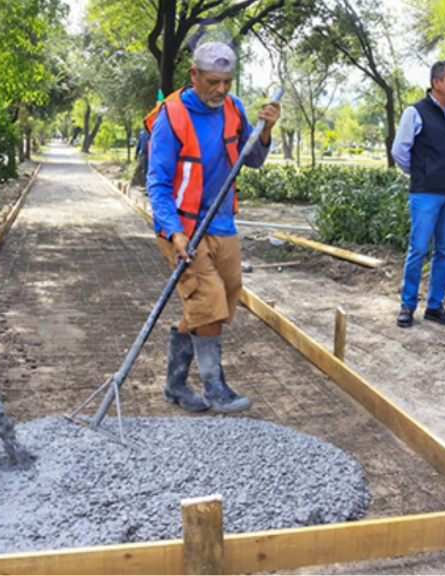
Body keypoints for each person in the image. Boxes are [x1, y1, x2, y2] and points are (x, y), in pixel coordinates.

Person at [146, 42, 280, 414]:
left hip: (221, 222)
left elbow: (252, 158)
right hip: (183, 227)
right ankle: (215, 388)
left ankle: (174, 384)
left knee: (220, 302)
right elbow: (157, 183)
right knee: (208, 300)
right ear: (194, 76)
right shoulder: (170, 117)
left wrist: (266, 129)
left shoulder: (233, 108)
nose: (221, 90)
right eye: (213, 82)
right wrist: (173, 233)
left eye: (227, 81)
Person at [391, 60, 445, 328]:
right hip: (426, 194)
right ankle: (407, 305)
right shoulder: (415, 112)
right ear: (437, 83)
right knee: (419, 249)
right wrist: (422, 173)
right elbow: (399, 151)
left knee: (444, 251)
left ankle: (435, 306)